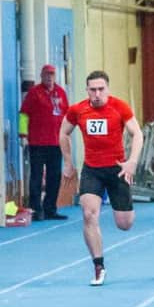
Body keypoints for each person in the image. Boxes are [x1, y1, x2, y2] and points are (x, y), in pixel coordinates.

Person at [60, 71, 144, 286]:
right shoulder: (78, 110)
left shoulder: (119, 107)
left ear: (107, 89)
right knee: (88, 214)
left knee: (125, 224)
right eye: (92, 90)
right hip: (92, 170)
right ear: (87, 90)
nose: (97, 94)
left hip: (117, 169)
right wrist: (68, 162)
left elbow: (137, 134)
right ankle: (98, 266)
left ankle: (123, 209)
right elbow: (63, 132)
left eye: (101, 89)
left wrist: (132, 162)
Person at [19, 64, 69, 221]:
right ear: (41, 76)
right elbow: (24, 114)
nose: (49, 77)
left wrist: (67, 134)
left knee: (55, 177)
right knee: (36, 176)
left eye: (52, 74)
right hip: (37, 142)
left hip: (56, 142)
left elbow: (67, 115)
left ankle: (50, 209)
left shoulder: (61, 93)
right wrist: (23, 133)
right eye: (47, 74)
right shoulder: (34, 93)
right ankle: (36, 209)